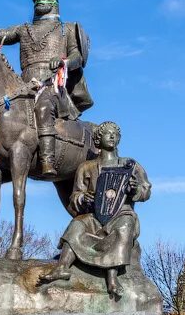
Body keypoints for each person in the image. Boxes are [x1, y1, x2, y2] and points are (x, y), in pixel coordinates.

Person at [0, 0, 92, 176]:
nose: (39, 1)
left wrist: (64, 62)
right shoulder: (23, 29)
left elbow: (77, 57)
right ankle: (3, 162)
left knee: (43, 106)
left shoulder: (67, 29)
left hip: (53, 85)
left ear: (54, 2)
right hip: (24, 85)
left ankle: (47, 160)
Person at [38, 122, 151, 299]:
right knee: (77, 225)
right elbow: (75, 195)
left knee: (124, 226)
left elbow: (146, 190)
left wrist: (135, 189)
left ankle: (112, 276)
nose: (112, 136)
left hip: (122, 213)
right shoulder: (86, 167)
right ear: (98, 139)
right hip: (94, 215)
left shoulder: (130, 165)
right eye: (107, 133)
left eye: (115, 133)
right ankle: (62, 267)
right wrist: (83, 198)